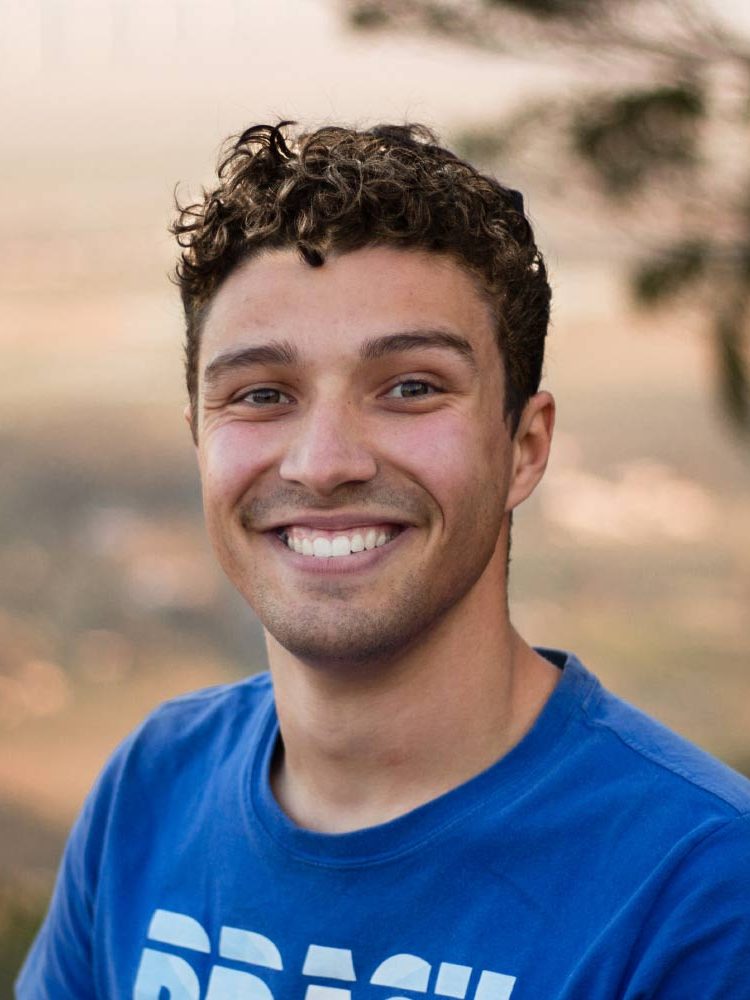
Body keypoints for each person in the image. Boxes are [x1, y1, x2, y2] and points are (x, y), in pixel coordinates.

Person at [17, 121, 750, 1000]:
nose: (324, 462)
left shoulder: (701, 889)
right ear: (201, 443)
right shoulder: (151, 792)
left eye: (411, 387)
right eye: (262, 394)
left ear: (524, 447)